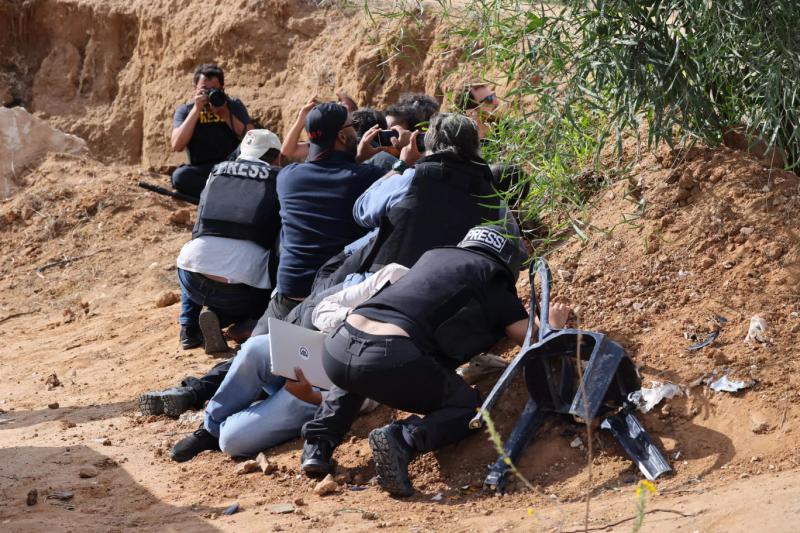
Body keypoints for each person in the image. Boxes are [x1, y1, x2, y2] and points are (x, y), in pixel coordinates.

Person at [300, 226, 571, 497]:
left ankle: (318, 445)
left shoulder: (432, 258)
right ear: (509, 262)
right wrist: (554, 325)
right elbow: (531, 341)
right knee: (469, 408)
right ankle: (403, 439)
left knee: (359, 370)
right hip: (388, 357)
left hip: (338, 346)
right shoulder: (492, 278)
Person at [168, 263, 408, 462]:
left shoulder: (414, 327)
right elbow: (322, 309)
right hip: (314, 351)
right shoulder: (394, 275)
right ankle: (210, 429)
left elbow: (373, 395)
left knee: (232, 441)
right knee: (255, 348)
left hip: (327, 392)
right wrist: (353, 320)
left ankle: (227, 427)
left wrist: (313, 398)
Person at [171, 129, 283, 355]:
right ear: (277, 157)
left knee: (197, 251)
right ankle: (234, 322)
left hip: (191, 276)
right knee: (272, 256)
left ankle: (188, 327)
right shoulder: (278, 178)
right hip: (242, 289)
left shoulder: (217, 171)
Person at [170, 64, 254, 199]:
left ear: (222, 89)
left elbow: (252, 137)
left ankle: (213, 193)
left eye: (214, 90)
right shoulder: (186, 110)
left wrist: (224, 112)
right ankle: (226, 193)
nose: (209, 94)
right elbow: (177, 145)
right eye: (204, 90)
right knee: (180, 177)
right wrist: (196, 110)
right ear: (194, 89)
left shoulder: (232, 105)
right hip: (202, 169)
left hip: (230, 166)